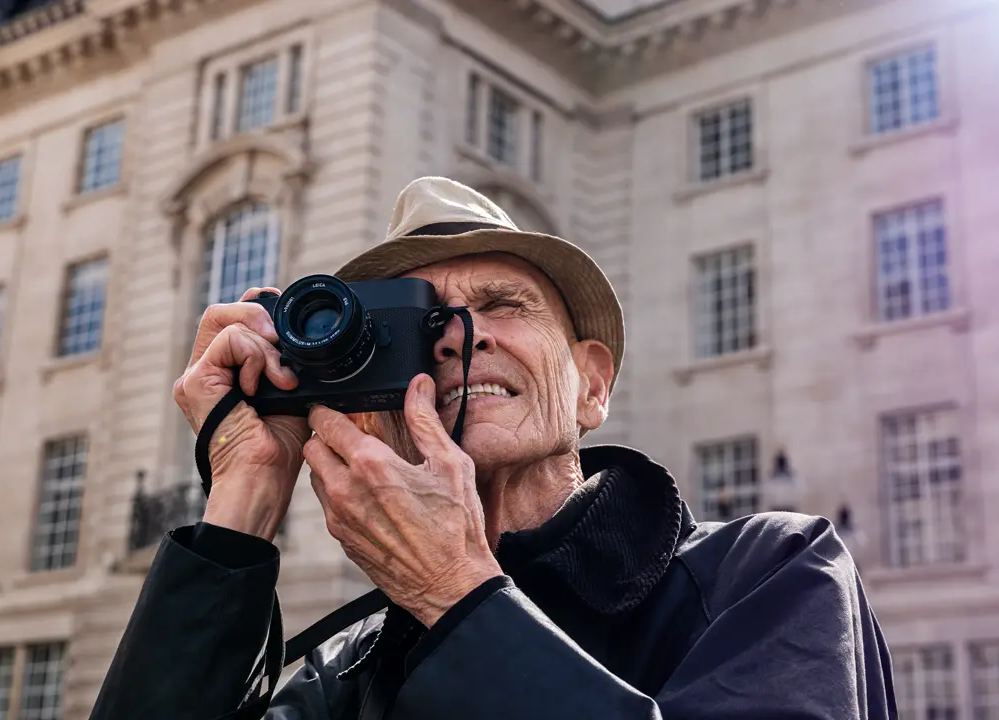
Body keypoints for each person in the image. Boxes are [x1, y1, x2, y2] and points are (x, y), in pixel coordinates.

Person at [89, 177, 898, 719]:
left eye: (501, 303)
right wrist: (244, 499)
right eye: (417, 319)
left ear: (592, 385)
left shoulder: (772, 570)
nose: (454, 338)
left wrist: (455, 595)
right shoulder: (353, 667)